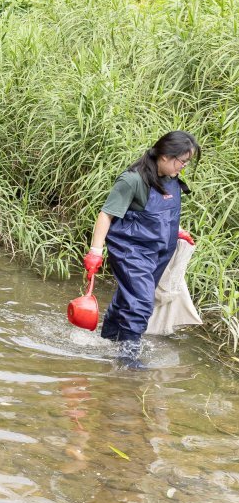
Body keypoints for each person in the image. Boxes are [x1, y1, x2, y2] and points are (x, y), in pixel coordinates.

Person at [84, 131, 200, 369]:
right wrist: (95, 251)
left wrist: (177, 231)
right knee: (141, 302)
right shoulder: (132, 180)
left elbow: (161, 214)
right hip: (131, 251)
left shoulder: (171, 178)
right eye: (182, 161)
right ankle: (128, 358)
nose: (183, 167)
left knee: (128, 297)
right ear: (166, 156)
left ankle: (109, 339)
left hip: (158, 252)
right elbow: (106, 214)